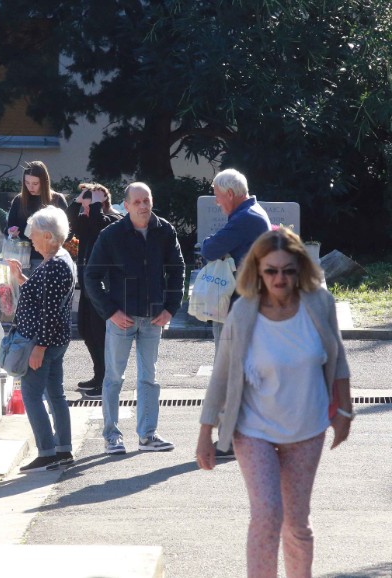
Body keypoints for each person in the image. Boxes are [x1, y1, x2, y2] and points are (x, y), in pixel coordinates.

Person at [196, 227, 352, 578]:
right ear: (257, 270)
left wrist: (345, 410)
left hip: (306, 428)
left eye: (288, 270)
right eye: (271, 270)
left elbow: (338, 359)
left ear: (300, 269)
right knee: (267, 515)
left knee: (296, 523)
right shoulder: (243, 313)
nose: (279, 278)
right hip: (254, 430)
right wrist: (206, 432)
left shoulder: (319, 304)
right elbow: (221, 375)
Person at [85, 182, 185, 454]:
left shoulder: (164, 231)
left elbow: (177, 270)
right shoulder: (111, 235)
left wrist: (170, 308)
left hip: (154, 317)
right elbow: (91, 277)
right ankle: (112, 437)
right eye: (137, 202)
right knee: (114, 378)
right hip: (121, 316)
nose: (143, 206)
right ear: (126, 205)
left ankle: (147, 435)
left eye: (146, 200)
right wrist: (111, 312)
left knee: (149, 377)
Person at [200, 168, 272, 458]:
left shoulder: (245, 218)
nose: (217, 202)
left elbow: (210, 248)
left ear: (230, 194)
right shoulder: (253, 214)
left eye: (218, 196)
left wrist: (210, 244)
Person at [5, 205, 77, 472]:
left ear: (47, 235)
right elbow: (43, 299)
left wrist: (38, 348)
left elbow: (49, 311)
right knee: (55, 394)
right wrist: (22, 278)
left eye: (33, 234)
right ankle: (63, 450)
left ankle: (47, 452)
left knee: (32, 395)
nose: (30, 239)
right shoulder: (61, 258)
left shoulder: (56, 264)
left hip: (43, 341)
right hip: (53, 340)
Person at [66, 183, 122, 399]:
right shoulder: (88, 221)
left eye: (91, 205)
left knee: (101, 335)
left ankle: (107, 379)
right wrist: (77, 202)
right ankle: (98, 375)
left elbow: (102, 225)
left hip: (104, 289)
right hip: (88, 289)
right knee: (86, 331)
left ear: (102, 203)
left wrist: (96, 204)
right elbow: (68, 221)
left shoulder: (114, 220)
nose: (86, 211)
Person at [6, 161, 68, 273]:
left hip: (48, 258)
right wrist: (11, 231)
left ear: (44, 182)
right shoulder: (19, 200)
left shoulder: (57, 199)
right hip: (22, 258)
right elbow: (9, 227)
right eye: (27, 182)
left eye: (35, 183)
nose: (30, 187)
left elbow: (67, 231)